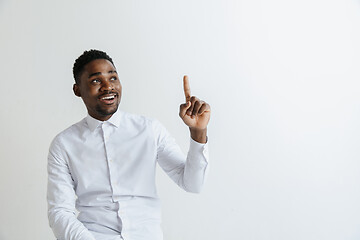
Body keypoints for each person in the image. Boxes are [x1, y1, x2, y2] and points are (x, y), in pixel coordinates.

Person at [47, 49, 211, 240]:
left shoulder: (149, 129)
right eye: (96, 81)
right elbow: (59, 212)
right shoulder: (64, 144)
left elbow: (193, 184)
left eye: (113, 78)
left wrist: (198, 132)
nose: (108, 87)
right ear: (77, 90)